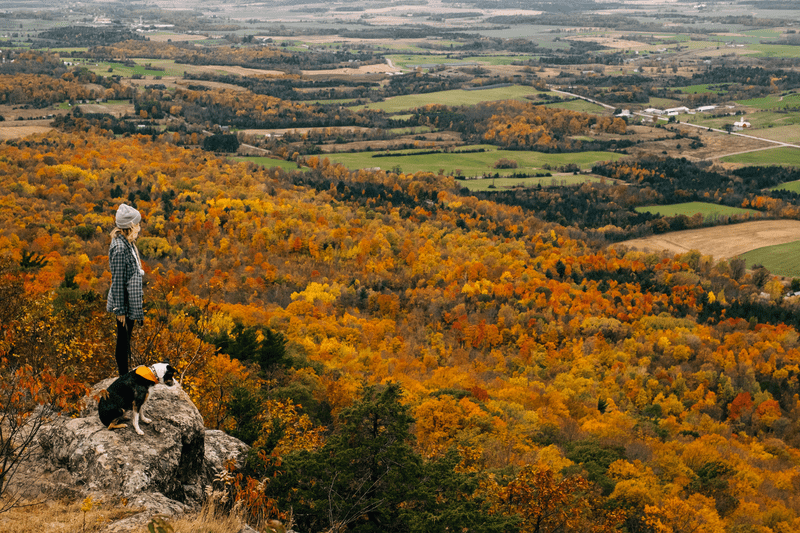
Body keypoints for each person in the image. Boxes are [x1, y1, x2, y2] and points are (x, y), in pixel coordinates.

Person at [107, 203, 144, 376]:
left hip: (129, 301)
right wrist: (120, 310)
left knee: (126, 339)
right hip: (124, 303)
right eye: (137, 224)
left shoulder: (126, 243)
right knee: (123, 341)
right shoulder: (121, 249)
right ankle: (123, 376)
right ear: (129, 227)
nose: (139, 227)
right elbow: (118, 281)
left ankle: (125, 374)